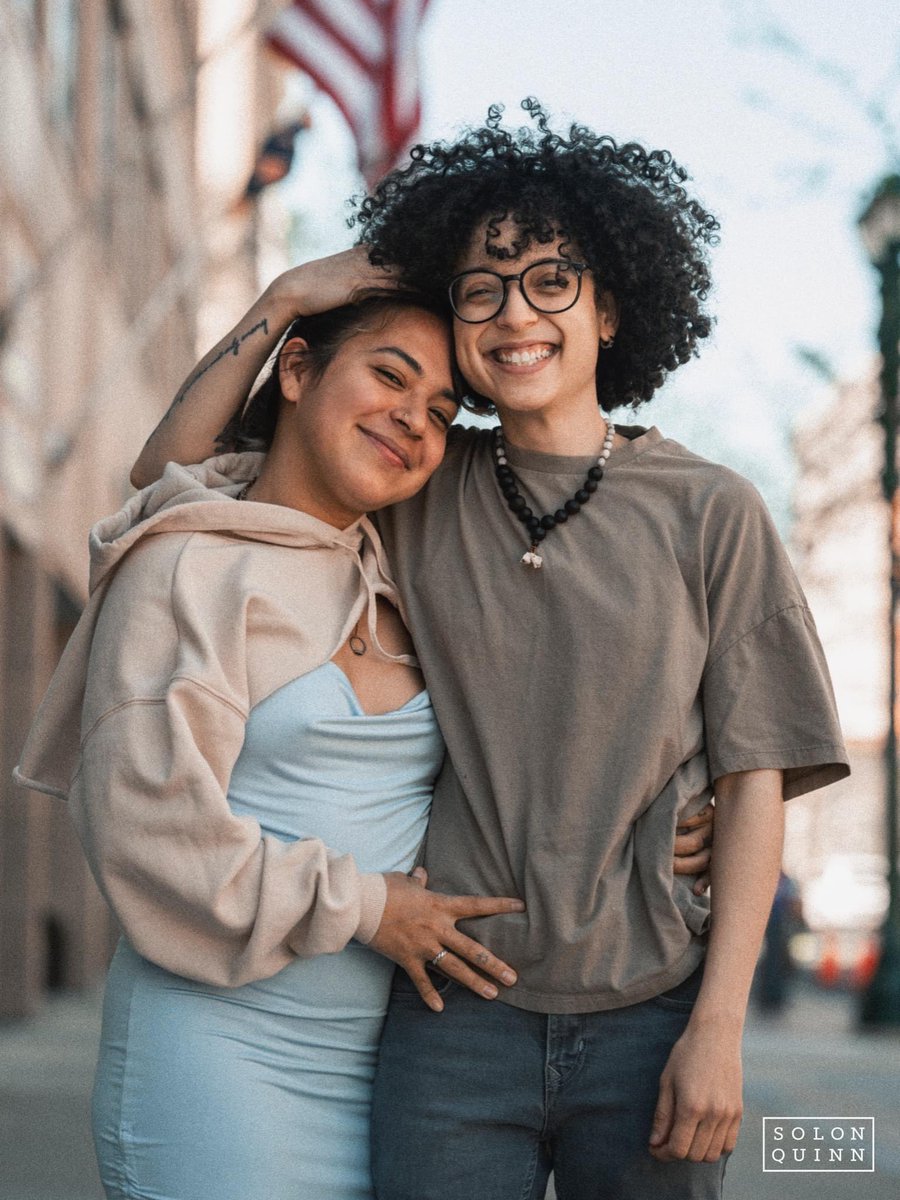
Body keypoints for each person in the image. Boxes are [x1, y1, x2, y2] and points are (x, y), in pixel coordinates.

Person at [130, 101, 847, 1199]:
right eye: (481, 288)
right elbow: (167, 478)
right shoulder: (416, 475)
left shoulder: (714, 511)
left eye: (551, 280)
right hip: (451, 1016)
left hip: (652, 1011)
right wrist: (284, 300)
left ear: (610, 309)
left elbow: (757, 779)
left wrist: (719, 1029)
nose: (516, 312)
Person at [15, 293, 535, 1200]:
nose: (414, 420)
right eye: (389, 375)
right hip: (217, 1056)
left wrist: (687, 809)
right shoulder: (189, 566)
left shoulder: (406, 571)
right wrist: (368, 907)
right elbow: (149, 834)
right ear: (296, 370)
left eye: (441, 412)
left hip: (395, 1069)